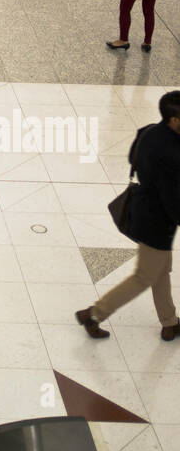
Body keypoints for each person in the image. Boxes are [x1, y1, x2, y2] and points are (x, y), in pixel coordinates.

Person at [76, 92, 180, 342]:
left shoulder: (150, 131)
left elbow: (134, 158)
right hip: (157, 221)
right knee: (144, 276)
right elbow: (171, 196)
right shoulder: (171, 153)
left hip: (143, 209)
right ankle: (93, 314)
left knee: (160, 269)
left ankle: (170, 321)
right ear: (175, 120)